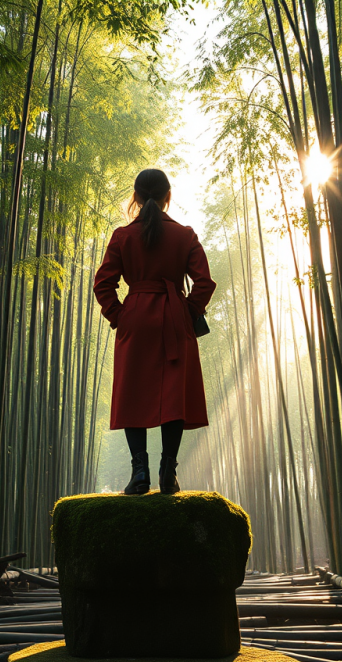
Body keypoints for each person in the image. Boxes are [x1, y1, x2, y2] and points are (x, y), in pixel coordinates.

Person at [93, 168, 216, 495]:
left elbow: (103, 283)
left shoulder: (122, 236)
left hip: (135, 317)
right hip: (174, 319)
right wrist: (187, 313)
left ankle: (139, 473)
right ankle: (168, 473)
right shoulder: (185, 235)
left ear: (135, 197)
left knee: (133, 392)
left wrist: (119, 315)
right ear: (167, 197)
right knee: (173, 394)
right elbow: (204, 283)